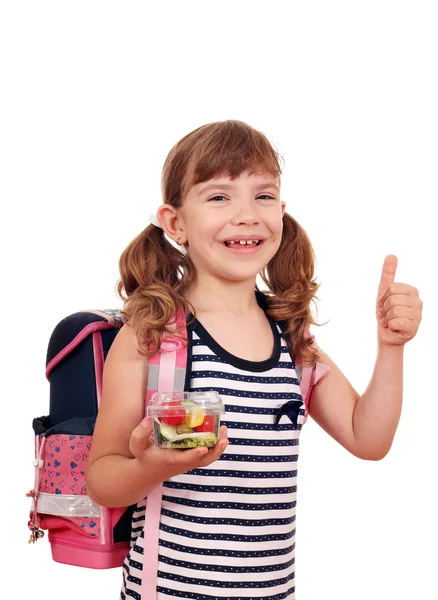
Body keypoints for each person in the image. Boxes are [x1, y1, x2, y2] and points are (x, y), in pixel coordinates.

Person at [86, 119, 423, 600]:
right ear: (175, 222)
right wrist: (153, 466)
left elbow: (368, 439)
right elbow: (101, 480)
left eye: (263, 196)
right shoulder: (153, 336)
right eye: (219, 197)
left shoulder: (292, 339)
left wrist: (391, 347)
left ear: (281, 213)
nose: (246, 215)